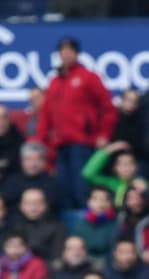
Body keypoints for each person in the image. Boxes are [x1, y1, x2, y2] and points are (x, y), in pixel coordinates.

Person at [39, 37, 116, 208]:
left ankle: (86, 219)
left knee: (80, 187)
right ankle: (69, 223)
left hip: (82, 142)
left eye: (70, 51)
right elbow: (46, 113)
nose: (66, 55)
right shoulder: (54, 81)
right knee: (63, 188)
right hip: (59, 144)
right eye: (63, 51)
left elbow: (108, 108)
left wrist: (104, 134)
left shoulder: (89, 77)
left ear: (77, 54)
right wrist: (43, 140)